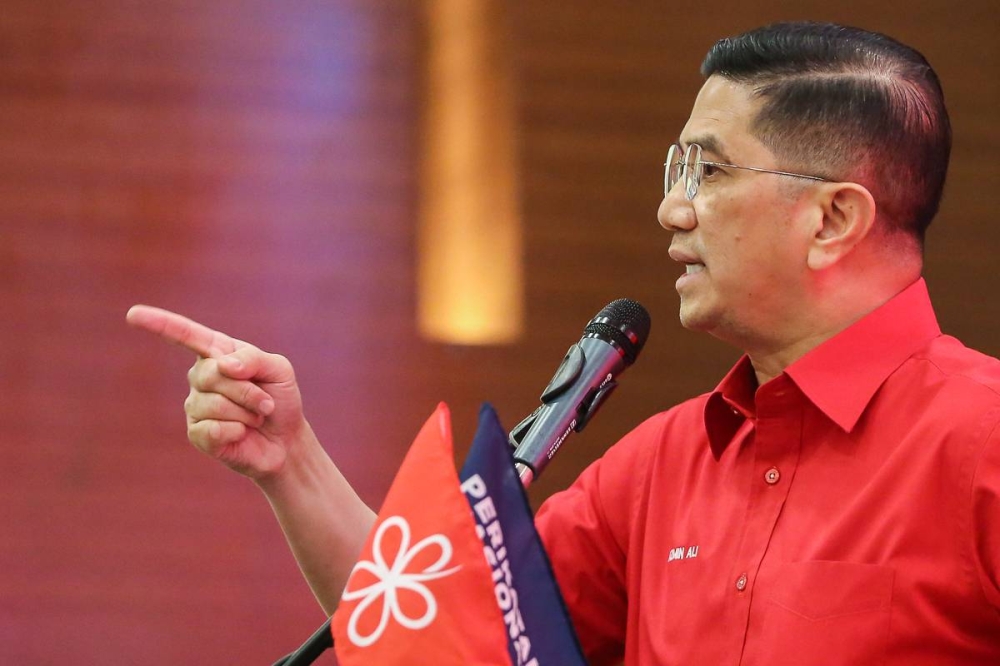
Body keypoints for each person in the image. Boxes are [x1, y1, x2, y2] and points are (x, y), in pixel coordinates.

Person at [127, 21, 1000, 665]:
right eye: (674, 171)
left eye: (707, 171)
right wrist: (290, 458)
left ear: (834, 217)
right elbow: (439, 632)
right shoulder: (662, 462)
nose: (673, 209)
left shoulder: (981, 439)